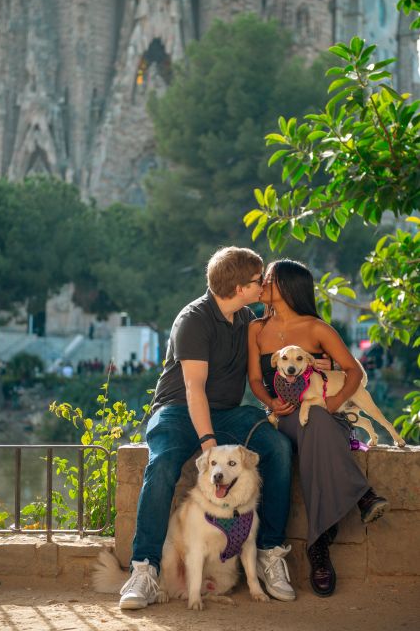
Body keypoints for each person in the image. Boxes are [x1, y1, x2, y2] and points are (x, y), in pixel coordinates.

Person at [119, 247, 297, 609]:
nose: (262, 283)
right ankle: (145, 569)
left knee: (277, 448)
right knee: (164, 463)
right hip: (178, 410)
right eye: (256, 279)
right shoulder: (194, 320)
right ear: (237, 287)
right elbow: (193, 389)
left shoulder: (246, 317)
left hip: (229, 413)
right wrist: (209, 447)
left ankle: (268, 552)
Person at [248, 259, 389, 598]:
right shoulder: (255, 329)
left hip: (324, 416)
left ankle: (317, 547)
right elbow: (254, 378)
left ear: (287, 286)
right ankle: (362, 495)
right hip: (281, 417)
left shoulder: (317, 328)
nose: (261, 283)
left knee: (319, 424)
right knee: (313, 427)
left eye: (268, 279)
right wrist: (271, 400)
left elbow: (354, 372)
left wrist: (334, 401)